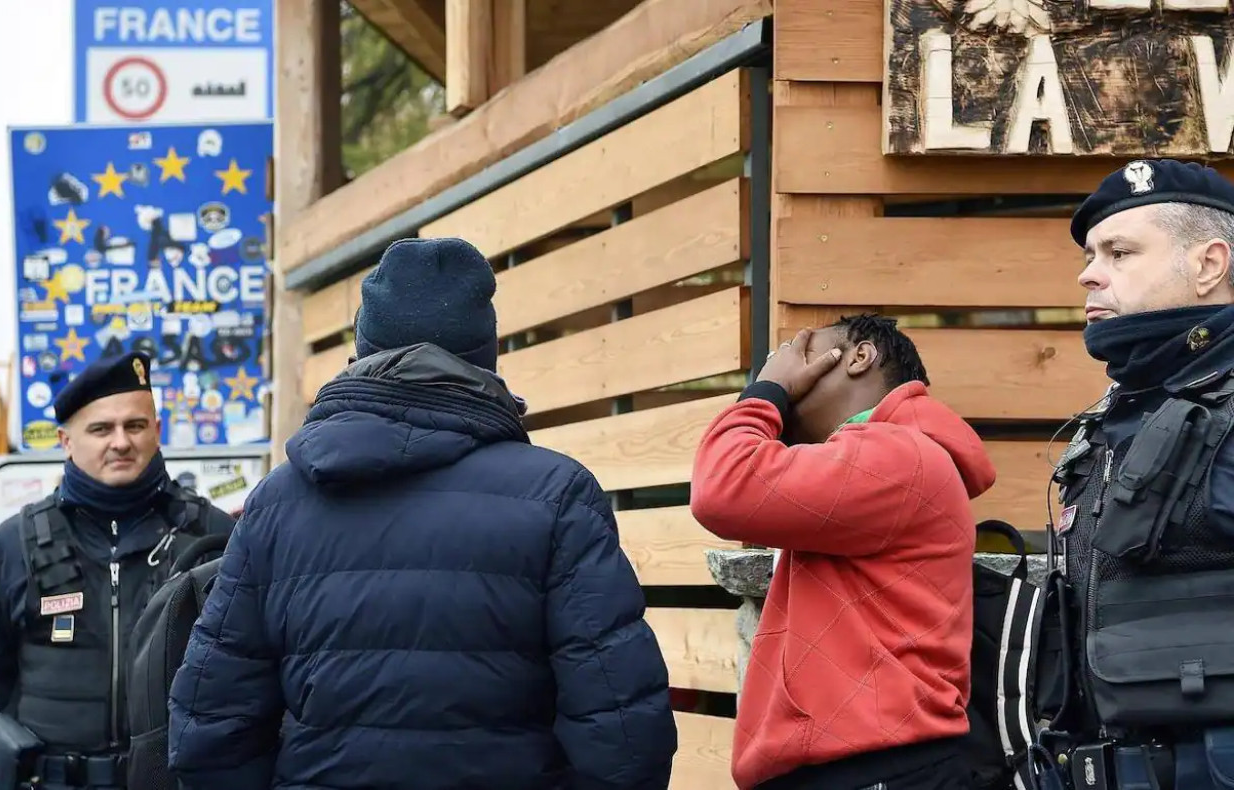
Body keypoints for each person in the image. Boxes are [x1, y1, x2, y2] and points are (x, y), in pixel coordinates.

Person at [167, 237, 678, 790]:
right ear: (485, 357)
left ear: (363, 350)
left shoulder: (276, 502)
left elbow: (211, 723)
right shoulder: (557, 494)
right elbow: (624, 731)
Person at [689, 314, 996, 790]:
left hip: (875, 770)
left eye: (801, 350)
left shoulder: (898, 453)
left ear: (859, 357)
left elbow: (723, 487)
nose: (783, 363)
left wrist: (766, 389)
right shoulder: (879, 457)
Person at [1032, 160, 1233, 790]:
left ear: (1208, 265)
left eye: (1120, 253)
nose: (1088, 273)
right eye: (1092, 254)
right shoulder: (1114, 415)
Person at [0, 350, 236, 789]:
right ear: (66, 441)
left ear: (157, 431)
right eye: (101, 429)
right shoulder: (13, 544)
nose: (121, 442)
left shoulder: (212, 537)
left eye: (135, 425)